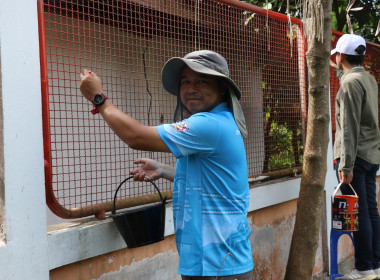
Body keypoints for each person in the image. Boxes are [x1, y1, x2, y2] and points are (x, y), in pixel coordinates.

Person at [80, 50, 254, 279]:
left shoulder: (209, 125)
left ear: (222, 88)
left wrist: (99, 99)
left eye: (201, 80)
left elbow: (136, 137)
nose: (191, 88)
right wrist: (164, 170)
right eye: (185, 81)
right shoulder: (222, 121)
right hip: (220, 261)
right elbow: (212, 180)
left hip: (216, 266)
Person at [330, 34, 380, 280]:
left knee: (359, 213)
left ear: (340, 57)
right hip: (371, 155)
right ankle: (375, 264)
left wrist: (346, 164)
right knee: (371, 210)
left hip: (355, 157)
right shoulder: (368, 78)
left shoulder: (349, 84)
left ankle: (363, 268)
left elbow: (349, 126)